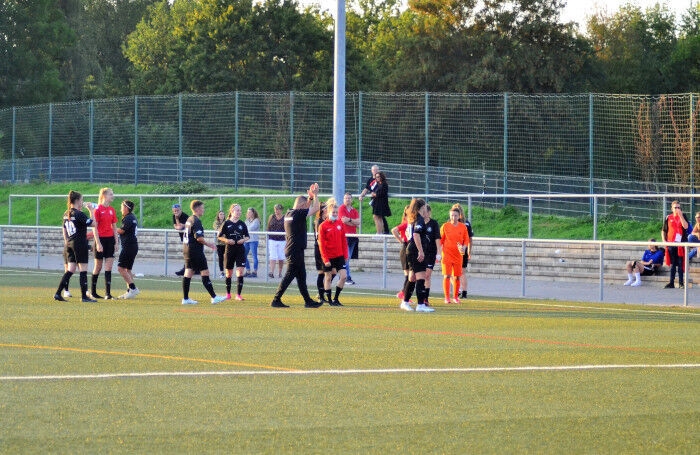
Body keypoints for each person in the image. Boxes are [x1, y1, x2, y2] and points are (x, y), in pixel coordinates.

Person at [270, 183, 323, 308]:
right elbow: (315, 209)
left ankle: (308, 301)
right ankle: (276, 299)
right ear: (301, 206)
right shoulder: (298, 214)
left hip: (293, 248)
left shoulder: (289, 213)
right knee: (289, 275)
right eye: (304, 206)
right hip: (295, 250)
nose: (306, 208)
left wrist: (309, 198)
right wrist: (315, 195)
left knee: (301, 276)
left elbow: (308, 207)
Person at [53, 190, 97, 302]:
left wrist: (67, 241)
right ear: (77, 201)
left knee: (70, 269)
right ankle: (84, 296)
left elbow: (64, 230)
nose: (82, 202)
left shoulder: (66, 213)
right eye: (81, 200)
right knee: (83, 270)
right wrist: (92, 211)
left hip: (69, 243)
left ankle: (58, 293)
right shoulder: (79, 214)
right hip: (79, 243)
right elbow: (94, 224)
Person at [181, 200, 227, 305]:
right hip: (195, 251)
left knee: (188, 272)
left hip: (187, 249)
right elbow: (199, 238)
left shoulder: (189, 219)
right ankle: (214, 297)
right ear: (197, 209)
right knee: (205, 272)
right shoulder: (196, 221)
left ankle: (185, 298)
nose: (203, 210)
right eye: (202, 208)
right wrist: (209, 244)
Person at [399, 198, 434, 312]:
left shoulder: (415, 218)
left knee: (412, 277)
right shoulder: (419, 219)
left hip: (411, 250)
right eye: (424, 207)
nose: (426, 209)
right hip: (414, 250)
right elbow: (416, 235)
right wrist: (421, 251)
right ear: (421, 207)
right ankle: (420, 305)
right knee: (420, 278)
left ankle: (405, 302)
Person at [89, 187, 118, 300]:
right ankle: (93, 292)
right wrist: (98, 243)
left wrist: (116, 242)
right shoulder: (98, 209)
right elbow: (94, 228)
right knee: (98, 266)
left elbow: (114, 227)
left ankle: (108, 293)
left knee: (109, 266)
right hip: (100, 239)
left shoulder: (112, 210)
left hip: (110, 240)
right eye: (111, 194)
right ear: (104, 196)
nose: (113, 196)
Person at [318, 202, 348, 306]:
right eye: (333, 212)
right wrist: (326, 260)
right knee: (328, 278)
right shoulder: (323, 226)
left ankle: (336, 299)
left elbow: (344, 240)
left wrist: (346, 255)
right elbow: (321, 244)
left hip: (339, 256)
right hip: (328, 257)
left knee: (344, 276)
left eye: (336, 212)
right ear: (328, 213)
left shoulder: (340, 224)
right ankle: (330, 300)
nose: (335, 214)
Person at [217, 203, 249, 301]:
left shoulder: (242, 224)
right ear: (232, 211)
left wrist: (243, 240)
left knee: (240, 272)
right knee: (229, 273)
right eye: (237, 210)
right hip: (229, 250)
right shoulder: (226, 223)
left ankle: (238, 295)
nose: (239, 212)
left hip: (240, 250)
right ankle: (228, 294)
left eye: (240, 210)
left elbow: (247, 236)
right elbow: (219, 236)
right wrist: (226, 240)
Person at [440, 207, 471, 303]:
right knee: (447, 276)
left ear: (459, 216)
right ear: (450, 216)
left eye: (455, 215)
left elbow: (466, 239)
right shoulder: (445, 226)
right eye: (452, 215)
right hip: (447, 255)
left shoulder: (463, 227)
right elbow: (440, 240)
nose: (453, 217)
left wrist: (464, 247)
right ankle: (447, 297)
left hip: (458, 256)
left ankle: (455, 297)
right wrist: (438, 253)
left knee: (457, 276)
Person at [661, 200, 689, 289]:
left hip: (680, 244)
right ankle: (671, 282)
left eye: (678, 207)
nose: (677, 209)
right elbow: (664, 230)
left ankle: (681, 283)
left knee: (680, 263)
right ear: (671, 208)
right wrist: (664, 241)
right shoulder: (668, 217)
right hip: (671, 243)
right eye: (675, 207)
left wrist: (680, 215)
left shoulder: (683, 216)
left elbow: (686, 226)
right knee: (673, 264)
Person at [116, 200, 140, 299]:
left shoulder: (128, 218)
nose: (121, 209)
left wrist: (111, 228)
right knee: (127, 270)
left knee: (120, 268)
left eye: (122, 207)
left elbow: (121, 231)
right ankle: (130, 291)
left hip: (129, 246)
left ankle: (133, 288)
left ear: (126, 208)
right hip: (132, 246)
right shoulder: (131, 217)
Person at [452, 203, 474, 298]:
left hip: (455, 250)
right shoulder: (467, 223)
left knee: (452, 272)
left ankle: (459, 290)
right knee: (462, 272)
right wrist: (469, 250)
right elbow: (470, 238)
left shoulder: (454, 223)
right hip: (464, 249)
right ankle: (464, 292)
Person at [339, 192, 360, 285]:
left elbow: (358, 222)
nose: (347, 200)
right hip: (344, 236)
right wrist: (353, 222)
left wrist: (350, 220)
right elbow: (343, 221)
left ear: (351, 200)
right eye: (346, 198)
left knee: (348, 257)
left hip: (353, 237)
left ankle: (343, 275)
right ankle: (347, 277)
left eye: (349, 198)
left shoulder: (354, 210)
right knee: (346, 257)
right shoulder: (341, 209)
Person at [422, 204, 441, 304]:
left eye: (426, 211)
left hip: (430, 253)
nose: (424, 213)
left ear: (429, 212)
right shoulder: (419, 223)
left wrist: (439, 252)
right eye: (422, 211)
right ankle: (420, 296)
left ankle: (425, 298)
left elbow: (437, 238)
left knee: (427, 275)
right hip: (420, 253)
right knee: (420, 276)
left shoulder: (434, 224)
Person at [391, 206, 410, 300]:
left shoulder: (410, 223)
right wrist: (401, 241)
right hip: (406, 248)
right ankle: (403, 294)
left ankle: (404, 293)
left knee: (409, 275)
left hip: (407, 248)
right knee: (409, 275)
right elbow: (394, 230)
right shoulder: (406, 223)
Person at [313, 201, 330, 302]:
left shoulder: (326, 220)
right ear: (323, 210)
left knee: (331, 271)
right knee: (321, 272)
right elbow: (319, 238)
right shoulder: (319, 221)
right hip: (319, 248)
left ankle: (323, 292)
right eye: (326, 208)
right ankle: (321, 295)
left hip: (327, 248)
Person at [267, 203, 286, 279]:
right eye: (275, 209)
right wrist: (267, 236)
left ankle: (280, 272)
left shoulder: (285, 217)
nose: (276, 211)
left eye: (278, 209)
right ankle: (271, 272)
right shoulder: (271, 217)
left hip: (282, 240)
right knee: (272, 256)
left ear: (281, 210)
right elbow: (268, 227)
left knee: (281, 257)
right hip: (272, 239)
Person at [172, 203, 189, 276]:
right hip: (183, 237)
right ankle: (193, 268)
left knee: (187, 254)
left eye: (177, 211)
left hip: (189, 236)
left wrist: (180, 226)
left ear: (180, 210)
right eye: (174, 211)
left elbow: (180, 227)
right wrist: (177, 221)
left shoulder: (185, 216)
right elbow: (177, 226)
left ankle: (185, 269)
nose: (176, 212)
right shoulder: (175, 217)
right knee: (188, 254)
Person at [244, 207, 260, 278]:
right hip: (246, 240)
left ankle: (255, 272)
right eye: (248, 212)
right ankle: (248, 271)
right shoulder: (246, 220)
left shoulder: (256, 220)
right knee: (243, 255)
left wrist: (245, 228)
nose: (248, 214)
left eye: (250, 212)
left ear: (253, 213)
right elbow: (244, 229)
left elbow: (249, 229)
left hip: (253, 240)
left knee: (254, 256)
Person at [213, 210, 226, 278]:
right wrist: (223, 232)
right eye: (220, 214)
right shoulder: (216, 223)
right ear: (218, 215)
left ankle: (227, 271)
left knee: (227, 258)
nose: (222, 216)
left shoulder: (226, 222)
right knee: (220, 258)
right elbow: (218, 230)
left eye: (223, 214)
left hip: (226, 243)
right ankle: (222, 272)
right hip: (219, 243)